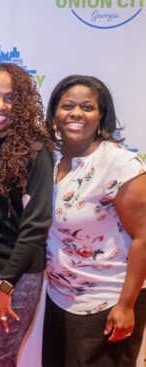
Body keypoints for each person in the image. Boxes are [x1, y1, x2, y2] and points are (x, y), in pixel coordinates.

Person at [42, 75, 146, 367]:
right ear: (54, 116)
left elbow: (144, 237)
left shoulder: (119, 164)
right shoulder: (50, 161)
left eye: (87, 107)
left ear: (101, 116)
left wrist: (126, 306)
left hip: (109, 302)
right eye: (67, 106)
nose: (76, 113)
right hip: (61, 300)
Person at [0, 63, 54, 367]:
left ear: (23, 103)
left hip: (16, 276)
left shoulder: (35, 149)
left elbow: (37, 225)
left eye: (10, 98)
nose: (0, 106)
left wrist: (6, 286)